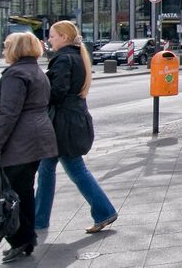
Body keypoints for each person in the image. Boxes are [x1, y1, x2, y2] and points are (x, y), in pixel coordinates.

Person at [0, 32, 57, 263]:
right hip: (37, 138)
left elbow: (9, 113)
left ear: (15, 49)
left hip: (19, 142)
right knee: (23, 190)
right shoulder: (35, 71)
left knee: (2, 190)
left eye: (6, 46)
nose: (4, 50)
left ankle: (20, 238)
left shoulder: (16, 74)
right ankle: (26, 238)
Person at [35, 21, 118, 235]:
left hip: (62, 123)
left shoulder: (63, 59)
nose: (49, 40)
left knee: (73, 169)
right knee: (47, 168)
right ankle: (39, 219)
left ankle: (104, 211)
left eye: (52, 36)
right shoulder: (77, 56)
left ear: (64, 37)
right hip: (71, 120)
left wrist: (38, 94)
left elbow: (57, 91)